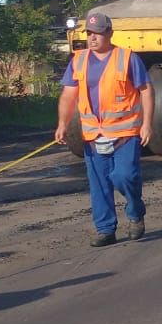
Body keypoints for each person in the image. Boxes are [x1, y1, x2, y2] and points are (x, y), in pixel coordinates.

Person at [55, 12, 154, 246]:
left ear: (109, 33)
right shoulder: (78, 60)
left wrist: (147, 124)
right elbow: (68, 95)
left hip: (125, 133)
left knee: (124, 176)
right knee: (99, 185)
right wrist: (62, 123)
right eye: (89, 33)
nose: (92, 38)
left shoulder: (127, 58)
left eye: (98, 33)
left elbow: (146, 90)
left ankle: (135, 212)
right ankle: (105, 229)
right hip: (93, 135)